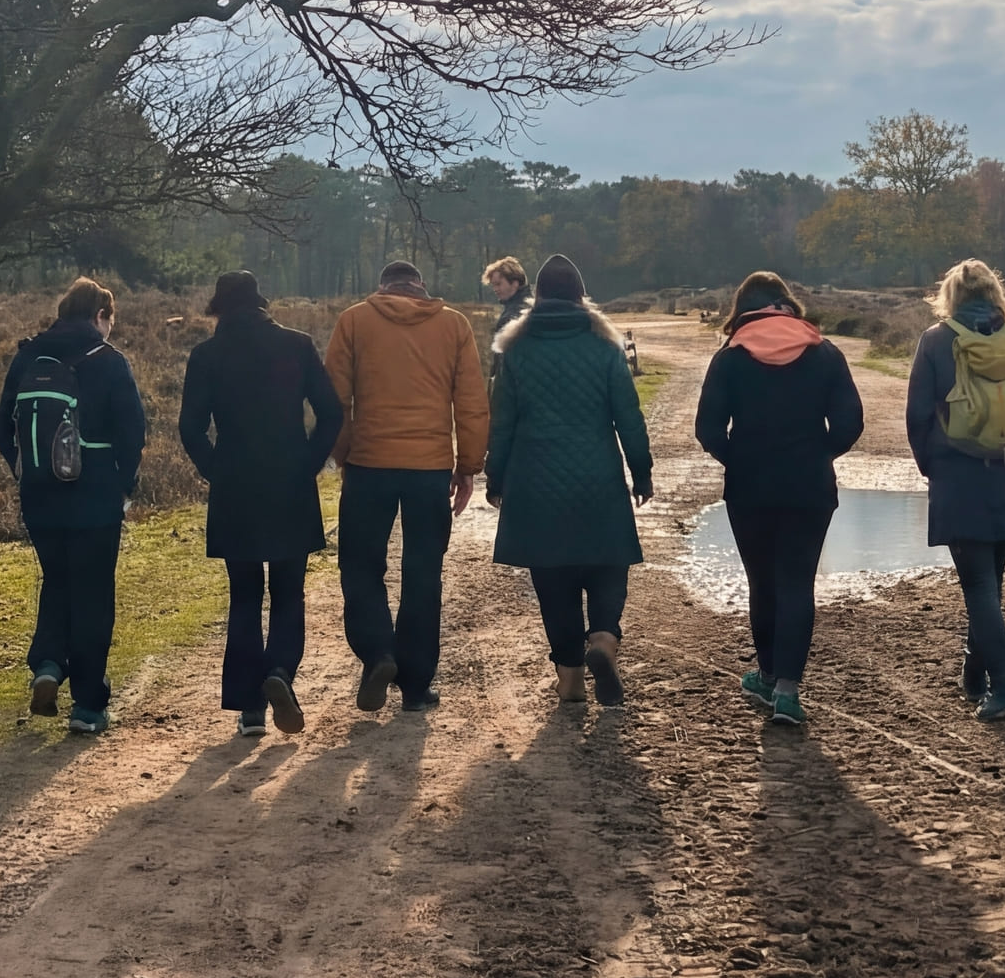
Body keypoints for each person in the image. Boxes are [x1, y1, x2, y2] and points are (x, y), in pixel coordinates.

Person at [693, 271, 864, 729]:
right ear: (789, 307)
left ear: (743, 311)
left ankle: (767, 676)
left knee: (762, 583)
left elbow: (707, 430)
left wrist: (739, 459)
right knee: (797, 584)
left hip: (750, 488)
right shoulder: (825, 353)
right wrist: (816, 454)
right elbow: (850, 424)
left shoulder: (729, 358)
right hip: (809, 486)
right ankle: (788, 693)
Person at [177, 270, 344, 738]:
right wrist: (309, 462)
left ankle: (250, 709)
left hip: (236, 488)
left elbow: (190, 428)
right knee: (289, 590)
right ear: (261, 302)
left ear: (218, 307)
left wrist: (216, 471)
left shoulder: (206, 355)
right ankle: (280, 673)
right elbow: (331, 412)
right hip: (290, 483)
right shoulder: (297, 344)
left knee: (245, 594)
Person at [485, 254, 653, 707]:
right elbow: (629, 417)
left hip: (535, 480)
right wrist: (641, 471)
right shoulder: (605, 345)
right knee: (608, 563)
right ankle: (603, 639)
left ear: (536, 296)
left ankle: (571, 679)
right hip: (597, 477)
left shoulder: (515, 348)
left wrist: (494, 476)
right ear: (581, 295)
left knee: (552, 578)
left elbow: (501, 422)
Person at [324, 259, 490, 714]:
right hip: (429, 469)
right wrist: (468, 466)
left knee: (360, 568)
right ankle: (416, 687)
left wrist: (345, 454)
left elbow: (335, 399)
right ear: (420, 288)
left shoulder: (354, 321)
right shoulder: (454, 326)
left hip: (369, 465)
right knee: (422, 575)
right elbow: (472, 402)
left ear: (382, 288)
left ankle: (379, 653)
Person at [0, 276, 147, 736]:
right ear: (101, 316)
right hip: (95, 496)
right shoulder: (110, 361)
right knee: (93, 594)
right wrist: (123, 487)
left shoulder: (27, 356)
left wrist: (27, 473)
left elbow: (5, 430)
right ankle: (87, 705)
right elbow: (132, 434)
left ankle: (46, 663)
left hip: (39, 498)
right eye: (110, 320)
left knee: (57, 580)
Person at [905, 259, 1005, 723]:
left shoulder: (935, 342)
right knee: (990, 581)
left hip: (959, 480)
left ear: (950, 297)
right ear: (995, 294)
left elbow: (917, 419)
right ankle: (975, 672)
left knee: (978, 586)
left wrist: (934, 469)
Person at [482, 256, 531, 382]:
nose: (495, 290)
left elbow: (502, 366)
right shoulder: (533, 308)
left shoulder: (512, 316)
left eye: (499, 284)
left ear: (515, 283)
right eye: (493, 285)